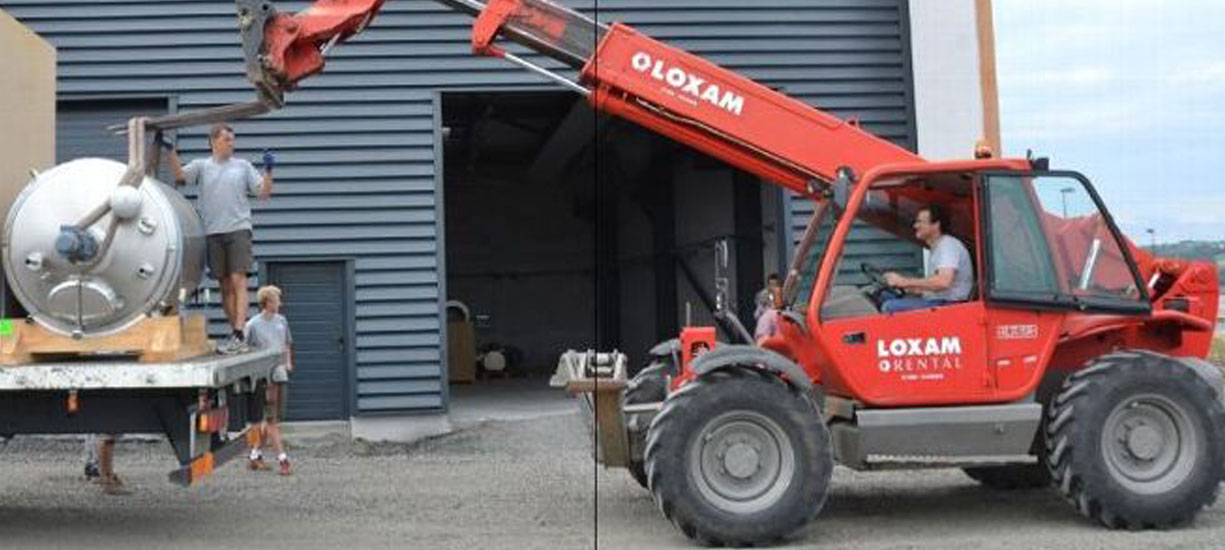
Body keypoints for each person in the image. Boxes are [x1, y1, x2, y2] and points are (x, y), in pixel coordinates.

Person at [167, 124, 274, 354]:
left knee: (239, 281)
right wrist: (171, 152)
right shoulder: (202, 166)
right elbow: (179, 176)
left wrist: (268, 171)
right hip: (213, 232)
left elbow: (263, 193)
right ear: (213, 141)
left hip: (238, 229)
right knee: (224, 286)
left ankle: (238, 333)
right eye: (227, 139)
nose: (231, 143)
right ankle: (239, 334)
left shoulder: (242, 166)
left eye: (233, 139)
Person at [881, 205, 973, 313]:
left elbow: (943, 282)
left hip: (948, 306)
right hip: (940, 301)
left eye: (920, 222)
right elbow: (935, 286)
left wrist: (904, 281)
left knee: (889, 307)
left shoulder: (947, 246)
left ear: (936, 225)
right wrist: (910, 288)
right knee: (885, 296)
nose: (915, 226)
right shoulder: (937, 247)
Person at [245, 285, 294, 476]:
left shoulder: (282, 321)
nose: (280, 303)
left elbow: (287, 343)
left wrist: (288, 362)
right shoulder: (253, 324)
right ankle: (283, 460)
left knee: (271, 419)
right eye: (276, 299)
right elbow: (245, 351)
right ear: (267, 302)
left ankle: (255, 455)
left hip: (280, 375)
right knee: (271, 420)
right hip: (262, 379)